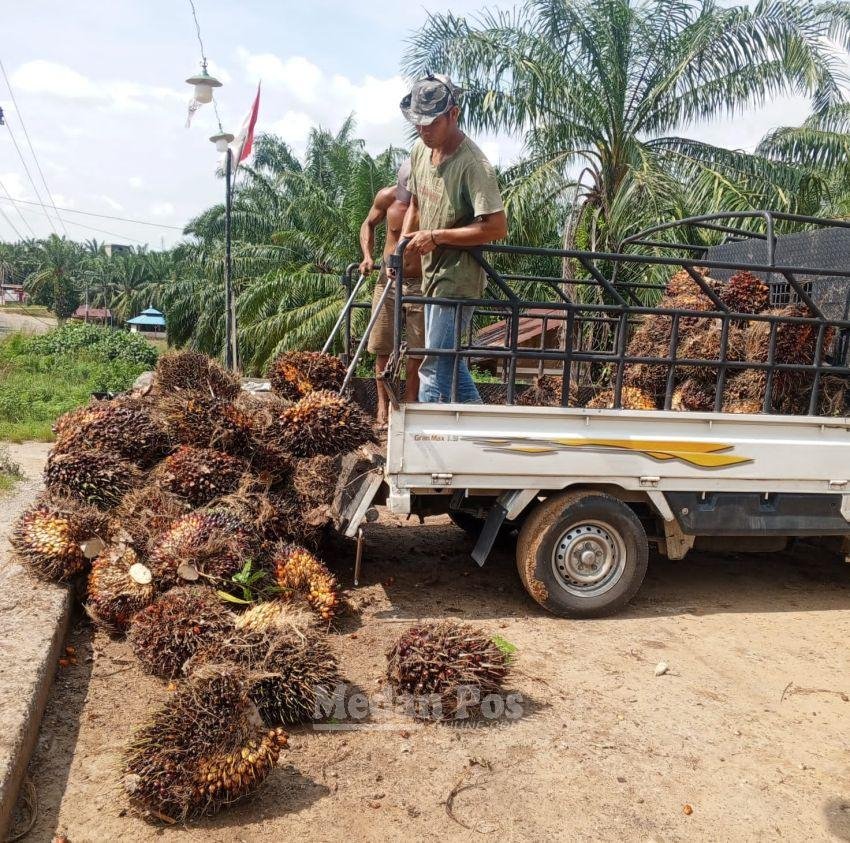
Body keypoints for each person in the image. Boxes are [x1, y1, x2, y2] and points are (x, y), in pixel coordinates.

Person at [399, 73, 508, 403]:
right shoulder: (420, 151)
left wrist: (437, 236)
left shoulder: (474, 165)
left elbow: (496, 227)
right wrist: (402, 249)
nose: (424, 130)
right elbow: (416, 203)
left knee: (434, 366)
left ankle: (429, 433)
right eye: (418, 123)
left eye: (432, 122)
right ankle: (483, 426)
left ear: (453, 114)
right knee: (449, 361)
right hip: (430, 274)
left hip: (457, 278)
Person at [359, 160, 424, 427]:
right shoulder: (387, 197)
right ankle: (382, 408)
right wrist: (367, 256)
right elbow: (368, 224)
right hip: (387, 281)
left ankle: (408, 405)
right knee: (382, 345)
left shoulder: (432, 203)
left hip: (420, 283)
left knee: (418, 349)